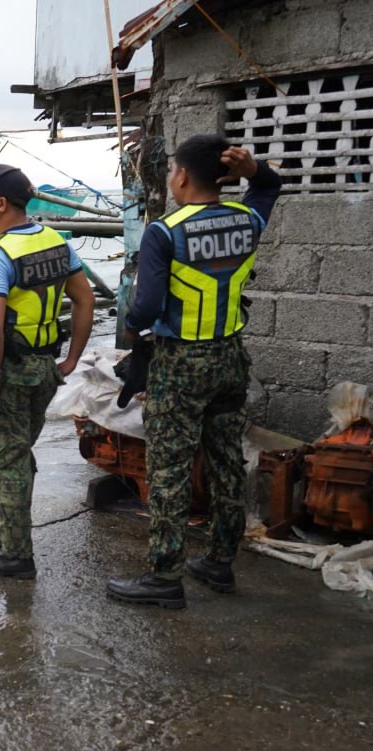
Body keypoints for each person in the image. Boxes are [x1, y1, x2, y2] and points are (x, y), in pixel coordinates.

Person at [107, 135, 282, 610]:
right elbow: (270, 187)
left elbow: (143, 309)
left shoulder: (164, 232)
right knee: (226, 460)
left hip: (182, 364)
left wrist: (134, 329)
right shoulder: (247, 220)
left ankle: (164, 578)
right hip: (230, 357)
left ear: (182, 176)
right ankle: (220, 563)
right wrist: (253, 169)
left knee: (169, 468)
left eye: (172, 173)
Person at [0, 164, 95, 579]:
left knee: (7, 459)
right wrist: (71, 359)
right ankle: (9, 526)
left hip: (12, 371)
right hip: (45, 369)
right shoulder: (56, 241)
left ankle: (16, 555)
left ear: (1, 204)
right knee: (19, 451)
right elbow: (85, 300)